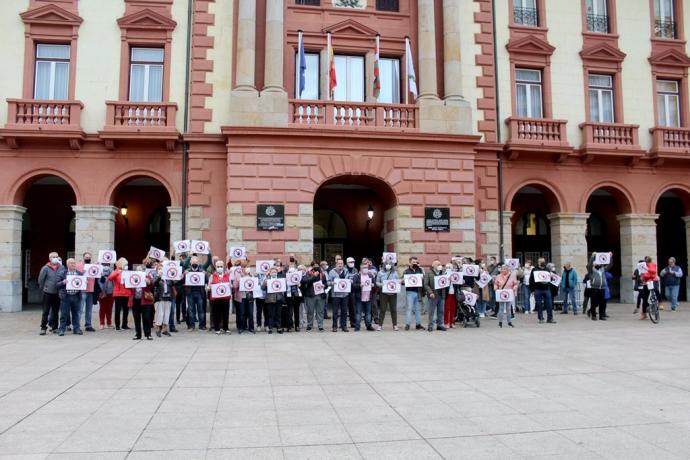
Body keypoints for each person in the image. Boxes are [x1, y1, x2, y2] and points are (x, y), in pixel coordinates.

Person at [55, 258, 83, 336]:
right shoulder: (62, 273)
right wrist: (63, 282)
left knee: (76, 314)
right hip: (65, 296)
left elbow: (82, 284)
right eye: (71, 263)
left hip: (76, 296)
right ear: (67, 264)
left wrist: (84, 282)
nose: (73, 264)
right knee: (64, 314)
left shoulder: (79, 274)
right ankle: (62, 330)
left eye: (74, 263)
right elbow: (57, 285)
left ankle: (76, 329)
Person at [38, 252, 62, 335]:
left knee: (55, 312)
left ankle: (55, 327)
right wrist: (44, 288)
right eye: (53, 257)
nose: (55, 258)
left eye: (56, 256)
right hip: (47, 293)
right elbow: (41, 280)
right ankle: (43, 328)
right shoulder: (45, 268)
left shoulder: (61, 267)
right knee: (46, 311)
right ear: (49, 258)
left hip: (57, 293)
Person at [529, 257, 556, 324]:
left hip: (546, 289)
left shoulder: (547, 270)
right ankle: (541, 318)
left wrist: (552, 276)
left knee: (549, 304)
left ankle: (550, 318)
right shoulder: (534, 270)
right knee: (539, 304)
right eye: (541, 261)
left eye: (543, 261)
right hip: (537, 289)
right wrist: (532, 290)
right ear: (538, 262)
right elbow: (531, 280)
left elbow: (551, 280)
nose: (542, 263)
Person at [586, 252, 613, 321]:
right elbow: (589, 265)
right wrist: (592, 257)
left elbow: (610, 265)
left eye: (599, 263)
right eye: (597, 263)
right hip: (594, 288)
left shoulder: (602, 269)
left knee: (602, 303)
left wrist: (610, 257)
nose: (598, 264)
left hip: (602, 288)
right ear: (594, 264)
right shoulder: (591, 270)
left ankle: (601, 315)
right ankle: (594, 315)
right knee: (594, 302)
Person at [184, 256, 208, 331]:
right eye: (193, 262)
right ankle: (191, 326)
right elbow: (182, 280)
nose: (194, 263)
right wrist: (184, 274)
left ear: (198, 263)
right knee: (191, 310)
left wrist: (205, 275)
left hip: (199, 293)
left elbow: (207, 281)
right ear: (190, 263)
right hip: (190, 293)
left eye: (196, 262)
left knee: (200, 310)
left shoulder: (202, 271)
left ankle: (201, 325)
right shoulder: (187, 271)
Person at [131, 264, 155, 340]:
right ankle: (138, 334)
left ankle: (148, 334)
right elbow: (127, 286)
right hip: (135, 300)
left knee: (147, 318)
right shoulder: (132, 277)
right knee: (136, 318)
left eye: (140, 270)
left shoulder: (147, 276)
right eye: (137, 270)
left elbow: (151, 284)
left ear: (143, 271)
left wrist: (148, 282)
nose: (138, 272)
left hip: (145, 301)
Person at [75, 252, 97, 332]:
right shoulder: (78, 265)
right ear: (83, 257)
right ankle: (76, 325)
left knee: (89, 309)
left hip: (91, 289)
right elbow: (76, 276)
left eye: (89, 257)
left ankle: (88, 325)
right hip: (82, 290)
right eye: (86, 257)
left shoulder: (93, 266)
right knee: (80, 309)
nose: (88, 258)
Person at [208, 259, 232, 334]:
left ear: (223, 266)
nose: (219, 267)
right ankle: (217, 328)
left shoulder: (227, 275)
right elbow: (209, 286)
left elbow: (231, 285)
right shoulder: (212, 275)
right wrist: (210, 287)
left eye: (221, 266)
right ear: (215, 267)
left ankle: (226, 328)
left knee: (225, 313)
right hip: (216, 298)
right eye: (218, 266)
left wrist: (230, 285)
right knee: (216, 313)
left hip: (225, 298)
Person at [108, 258, 131, 330]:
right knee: (117, 310)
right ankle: (117, 326)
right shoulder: (116, 271)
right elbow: (110, 278)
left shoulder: (127, 272)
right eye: (125, 264)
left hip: (126, 293)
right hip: (118, 293)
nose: (127, 265)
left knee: (126, 310)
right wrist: (117, 272)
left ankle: (124, 324)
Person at [424, 260, 447, 331]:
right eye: (438, 264)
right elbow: (426, 284)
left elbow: (445, 282)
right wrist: (430, 292)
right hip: (433, 295)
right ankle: (430, 325)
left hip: (441, 295)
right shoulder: (428, 273)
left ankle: (440, 325)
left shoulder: (442, 273)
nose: (440, 266)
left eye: (440, 264)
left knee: (441, 311)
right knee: (432, 311)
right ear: (433, 265)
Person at [376, 259, 399, 331]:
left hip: (393, 294)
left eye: (390, 264)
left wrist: (399, 282)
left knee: (393, 310)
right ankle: (380, 325)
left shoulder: (395, 273)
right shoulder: (380, 273)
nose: (388, 265)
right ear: (384, 264)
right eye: (386, 263)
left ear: (392, 265)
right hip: (384, 293)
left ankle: (395, 325)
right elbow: (377, 282)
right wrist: (381, 284)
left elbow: (398, 281)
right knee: (383, 309)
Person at [303, 261, 327, 331]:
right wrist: (314, 276)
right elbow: (306, 281)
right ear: (312, 266)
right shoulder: (308, 273)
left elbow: (326, 284)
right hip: (310, 295)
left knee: (320, 311)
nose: (316, 266)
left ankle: (320, 326)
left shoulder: (322, 274)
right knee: (310, 311)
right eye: (314, 265)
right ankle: (309, 325)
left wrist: (324, 285)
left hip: (320, 295)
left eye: (317, 265)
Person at [402, 257, 425, 330]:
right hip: (410, 292)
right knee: (409, 308)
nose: (414, 263)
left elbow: (424, 279)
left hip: (418, 292)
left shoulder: (420, 270)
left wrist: (422, 277)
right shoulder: (406, 271)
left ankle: (418, 324)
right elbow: (402, 281)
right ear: (410, 263)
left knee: (418, 309)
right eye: (413, 262)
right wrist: (403, 281)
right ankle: (407, 324)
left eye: (416, 262)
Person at [328, 259, 350, 332]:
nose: (340, 265)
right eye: (339, 263)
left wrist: (351, 281)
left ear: (343, 264)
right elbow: (328, 282)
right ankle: (334, 326)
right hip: (335, 295)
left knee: (344, 311)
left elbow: (349, 279)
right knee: (335, 312)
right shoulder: (332, 271)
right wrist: (332, 283)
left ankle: (344, 326)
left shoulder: (346, 271)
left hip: (344, 295)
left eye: (341, 263)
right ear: (336, 264)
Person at [152, 263, 174, 337]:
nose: (161, 270)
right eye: (160, 268)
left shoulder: (168, 278)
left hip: (168, 298)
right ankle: (158, 329)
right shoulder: (156, 277)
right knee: (159, 314)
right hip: (159, 298)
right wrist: (159, 276)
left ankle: (165, 330)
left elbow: (174, 284)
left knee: (166, 314)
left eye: (162, 268)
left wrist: (179, 277)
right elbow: (154, 284)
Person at [352, 262, 375, 331]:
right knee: (358, 313)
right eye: (364, 268)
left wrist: (373, 285)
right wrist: (359, 285)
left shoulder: (370, 275)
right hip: (359, 297)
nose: (365, 269)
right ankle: (357, 326)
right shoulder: (357, 276)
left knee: (368, 313)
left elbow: (374, 284)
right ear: (360, 268)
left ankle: (368, 326)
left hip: (368, 297)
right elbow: (353, 286)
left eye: (366, 268)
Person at [263, 266, 285, 334]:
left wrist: (284, 283)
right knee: (270, 315)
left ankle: (279, 328)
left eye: (275, 272)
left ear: (277, 272)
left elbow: (285, 287)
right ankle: (270, 328)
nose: (274, 273)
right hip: (270, 300)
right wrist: (265, 284)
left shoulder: (280, 279)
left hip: (279, 299)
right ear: (270, 273)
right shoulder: (267, 279)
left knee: (278, 314)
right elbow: (262, 288)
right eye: (272, 272)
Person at [640, 256, 662, 320]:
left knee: (656, 290)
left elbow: (653, 271)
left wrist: (646, 268)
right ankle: (644, 313)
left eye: (647, 261)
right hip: (646, 282)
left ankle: (660, 303)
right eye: (645, 261)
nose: (646, 262)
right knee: (645, 298)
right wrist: (642, 279)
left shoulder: (653, 265)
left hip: (653, 280)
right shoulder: (642, 266)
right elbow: (641, 275)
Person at [97, 263, 115, 329]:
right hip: (102, 293)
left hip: (111, 293)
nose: (106, 265)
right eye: (105, 264)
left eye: (107, 264)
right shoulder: (99, 272)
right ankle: (102, 323)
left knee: (109, 309)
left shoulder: (112, 272)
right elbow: (99, 283)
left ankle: (109, 323)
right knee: (102, 309)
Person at [344, 257, 358, 329]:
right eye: (350, 262)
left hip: (352, 291)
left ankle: (353, 323)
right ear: (347, 263)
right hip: (345, 291)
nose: (352, 263)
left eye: (353, 262)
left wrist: (353, 282)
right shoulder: (344, 269)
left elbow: (357, 278)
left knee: (353, 308)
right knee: (344, 308)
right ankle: (342, 323)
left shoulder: (355, 270)